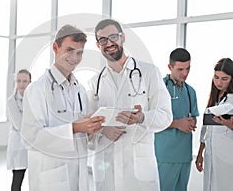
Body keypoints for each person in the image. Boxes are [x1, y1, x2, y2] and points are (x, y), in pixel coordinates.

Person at [87, 18, 172, 191]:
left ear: (123, 37)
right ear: (98, 45)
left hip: (139, 172)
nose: (109, 43)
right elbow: (88, 126)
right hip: (106, 170)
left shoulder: (148, 73)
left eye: (113, 37)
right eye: (103, 40)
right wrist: (103, 130)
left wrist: (142, 118)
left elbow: (166, 116)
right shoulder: (94, 83)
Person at [20, 24, 105, 191]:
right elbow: (30, 137)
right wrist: (74, 128)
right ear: (55, 47)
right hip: (52, 177)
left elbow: (84, 137)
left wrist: (90, 128)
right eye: (69, 50)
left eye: (79, 52)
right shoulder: (37, 89)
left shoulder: (79, 89)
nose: (74, 57)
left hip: (78, 175)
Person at [154, 48, 199, 191]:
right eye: (180, 69)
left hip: (185, 155)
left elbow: (194, 115)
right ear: (170, 67)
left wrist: (192, 122)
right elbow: (151, 119)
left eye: (188, 68)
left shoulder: (190, 91)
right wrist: (177, 123)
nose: (185, 73)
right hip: (165, 155)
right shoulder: (159, 88)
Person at [195, 58, 233, 191]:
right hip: (211, 155)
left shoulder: (232, 100)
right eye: (216, 77)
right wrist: (200, 153)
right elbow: (205, 130)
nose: (219, 82)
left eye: (224, 78)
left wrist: (227, 123)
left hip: (227, 156)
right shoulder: (214, 98)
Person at [7, 69, 31, 191]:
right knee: (17, 182)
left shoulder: (34, 99)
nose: (22, 84)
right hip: (19, 146)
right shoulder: (11, 101)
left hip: (33, 145)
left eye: (25, 81)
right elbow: (19, 125)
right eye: (19, 81)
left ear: (30, 82)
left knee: (36, 180)